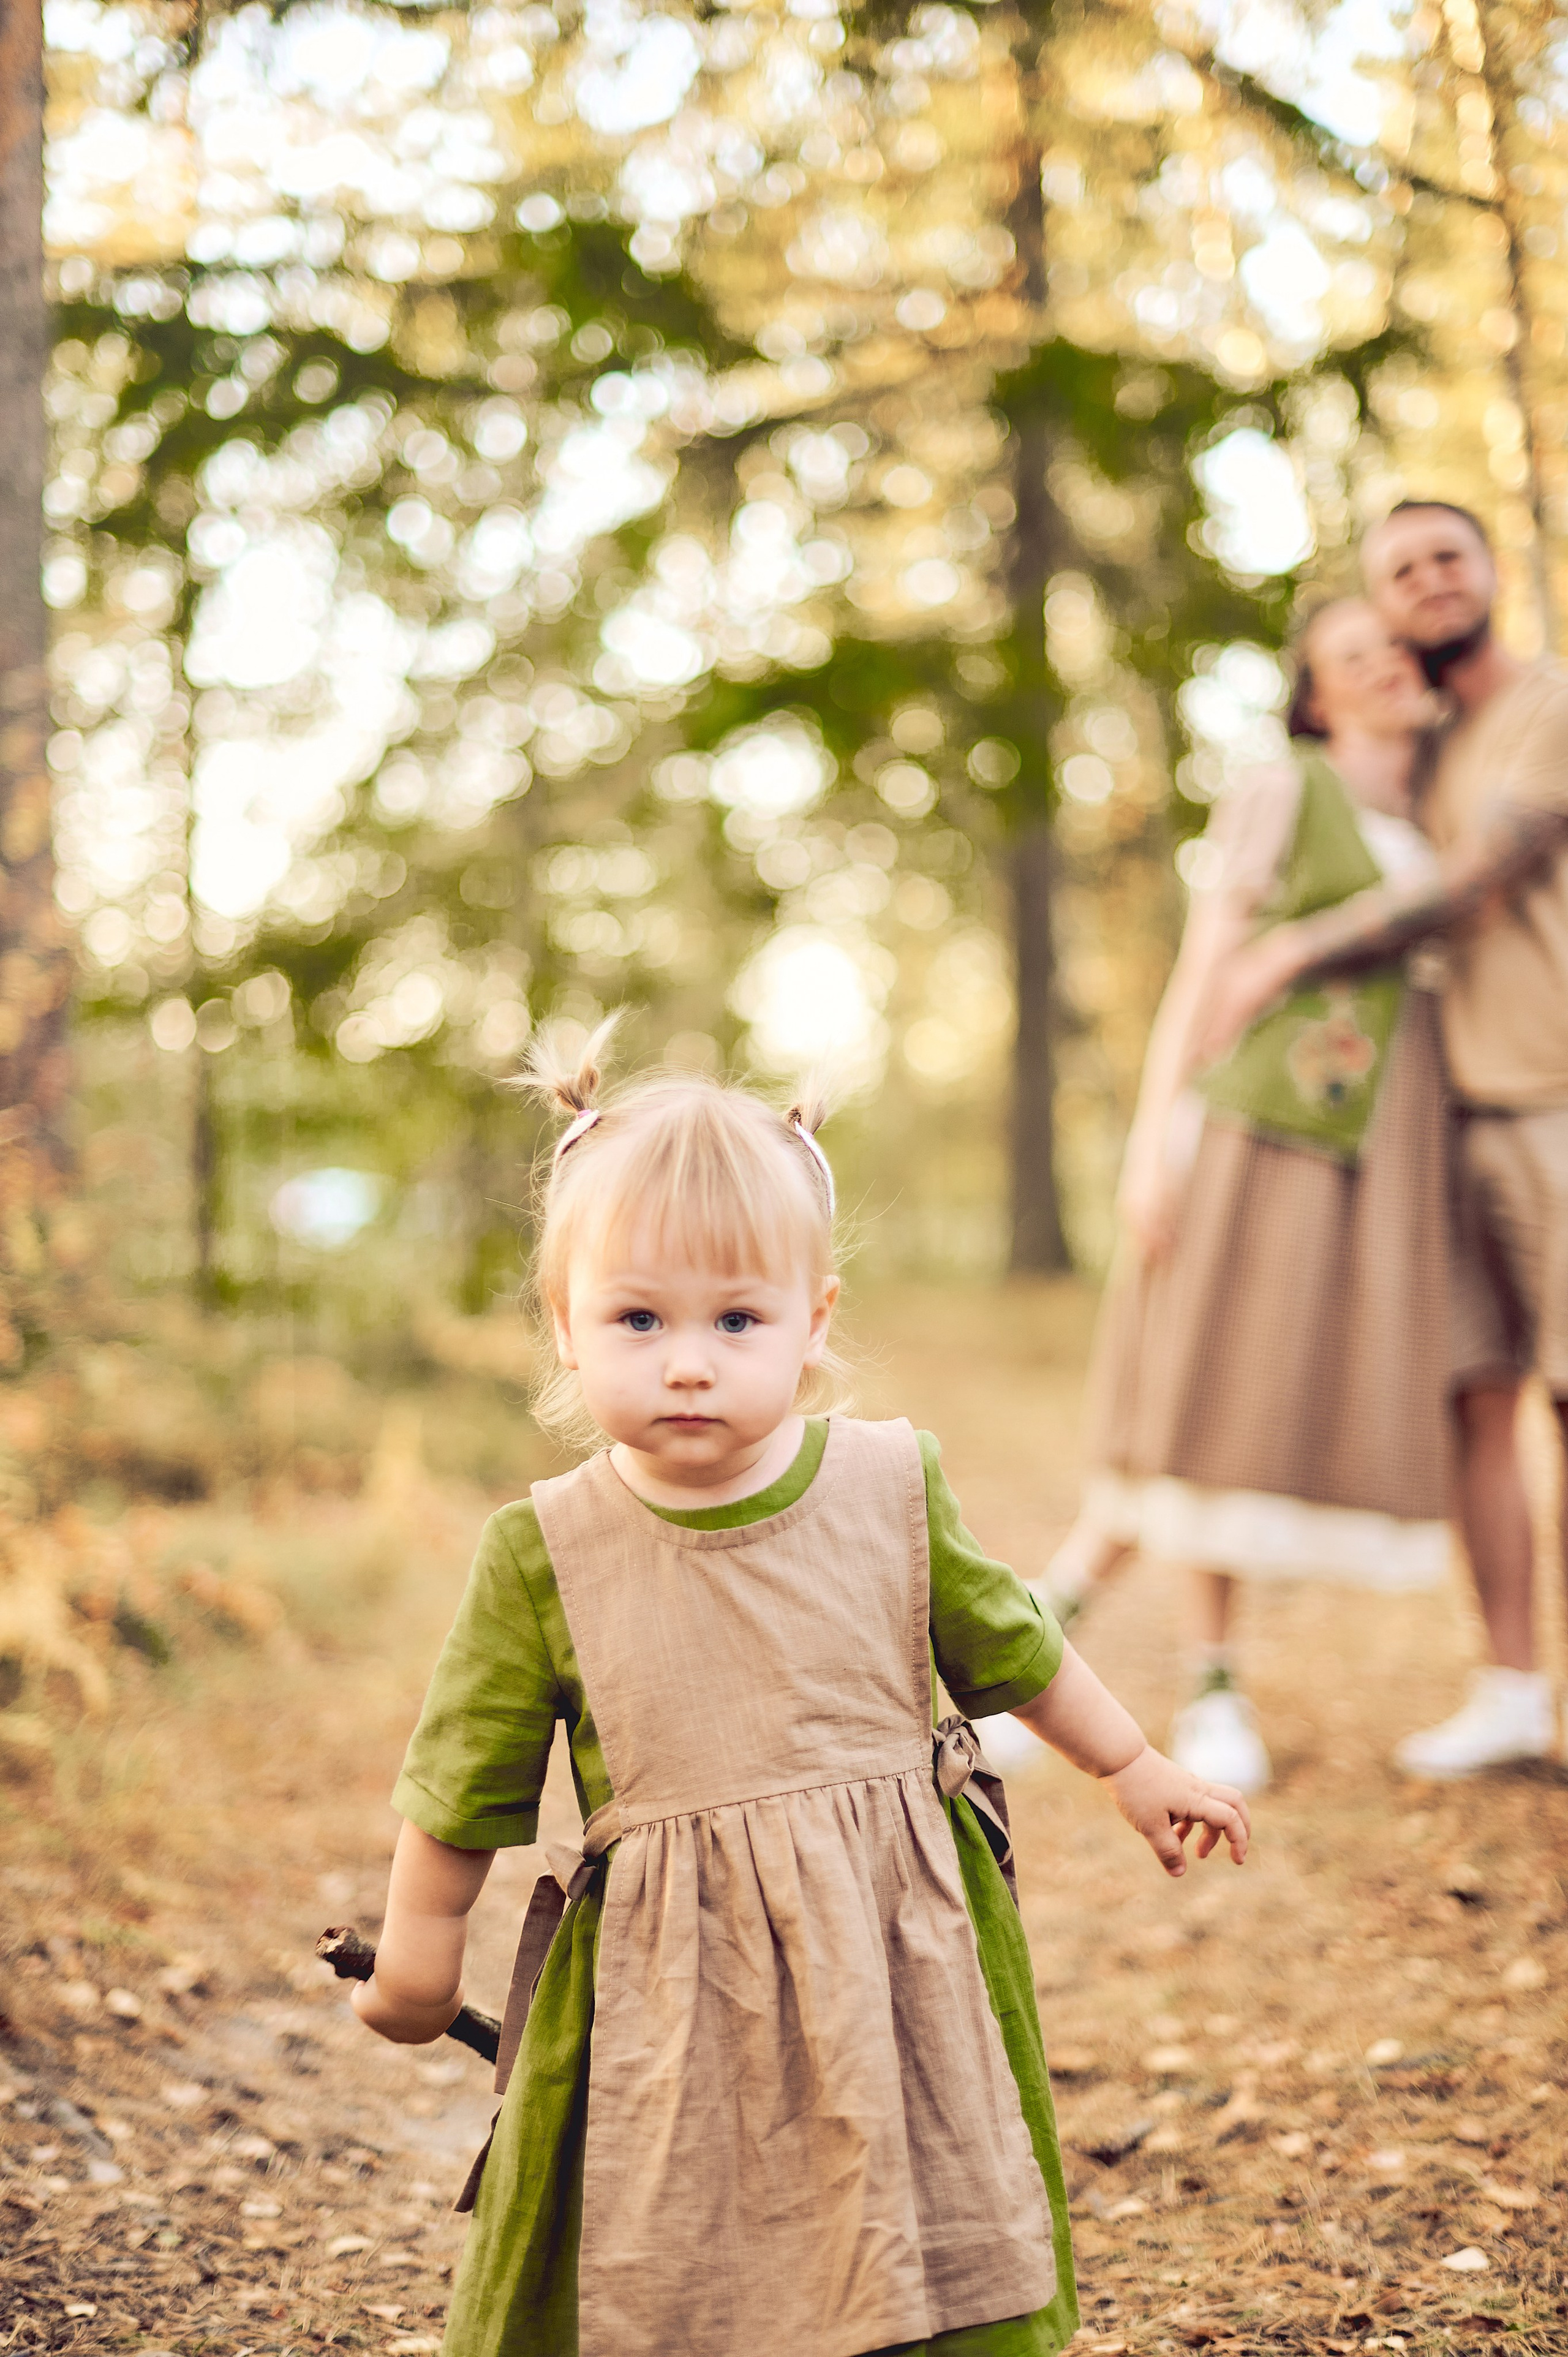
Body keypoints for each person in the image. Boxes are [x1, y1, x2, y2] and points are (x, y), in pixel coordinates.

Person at [347, 1031, 1250, 2357]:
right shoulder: (544, 1549)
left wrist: (1130, 1767)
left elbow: (1016, 1646)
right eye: (638, 1318)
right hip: (663, 1980)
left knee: (918, 2191)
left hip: (893, 1954)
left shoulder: (888, 1489)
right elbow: (461, 1784)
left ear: (812, 1320)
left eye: (736, 1320)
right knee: (663, 2232)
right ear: (564, 1323)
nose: (690, 1361)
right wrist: (420, 1954)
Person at [1046, 600, 1452, 1794]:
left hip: (1364, 1150)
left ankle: (1030, 1630)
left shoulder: (1437, 812)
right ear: (1315, 696)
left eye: (1389, 647)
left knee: (1258, 1401)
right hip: (1255, 1121)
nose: (1379, 665)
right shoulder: (1286, 785)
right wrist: (1151, 1136)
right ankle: (1206, 1678)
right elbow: (1207, 962)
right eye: (1347, 658)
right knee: (1212, 1390)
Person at [1200, 502, 1568, 1778]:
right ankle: (1513, 1691)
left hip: (1550, 1099)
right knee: (1479, 1400)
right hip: (1447, 1117)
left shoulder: (1545, 709)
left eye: (1442, 559)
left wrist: (1292, 948)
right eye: (1396, 572)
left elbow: (1472, 880)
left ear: (1488, 573)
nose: (1423, 583)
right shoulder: (1421, 744)